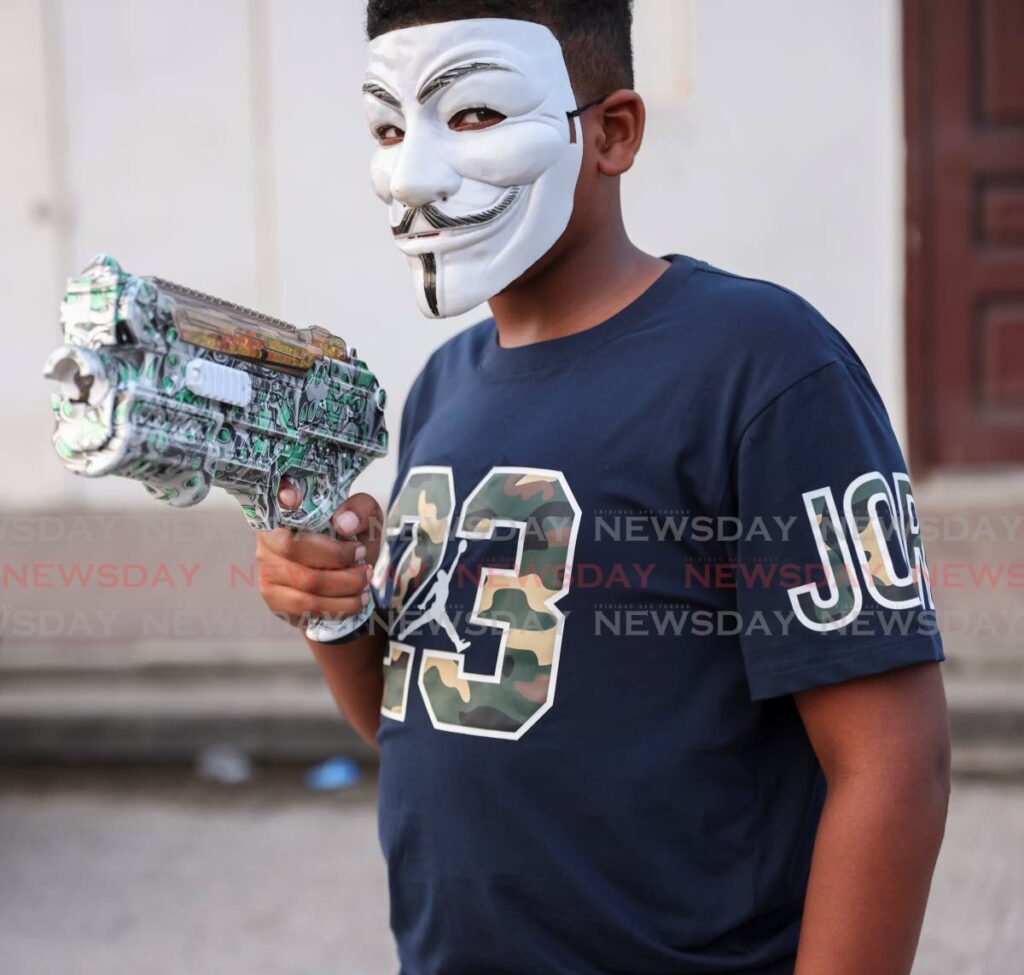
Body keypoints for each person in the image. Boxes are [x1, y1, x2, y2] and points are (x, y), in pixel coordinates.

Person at [255, 2, 951, 973]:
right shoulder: (443, 391)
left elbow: (892, 767)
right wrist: (332, 611)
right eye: (386, 126)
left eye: (471, 116)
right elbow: (424, 718)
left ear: (612, 133)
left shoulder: (762, 368)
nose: (413, 170)